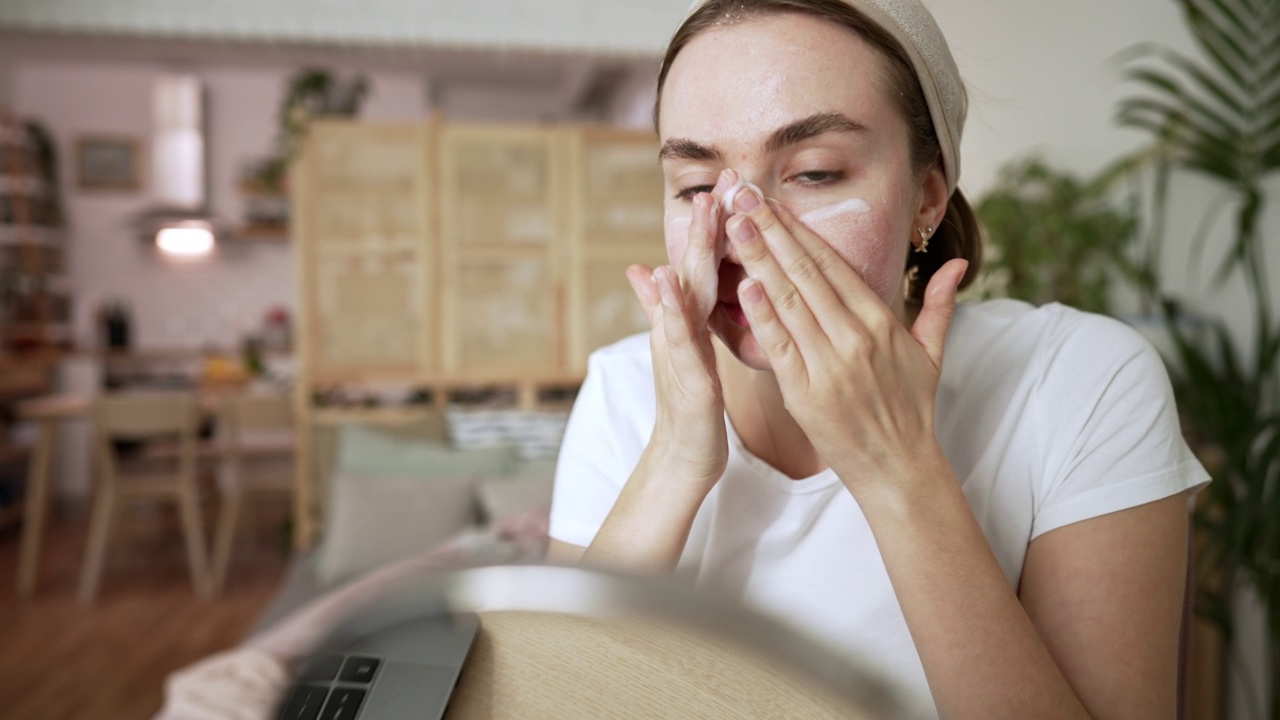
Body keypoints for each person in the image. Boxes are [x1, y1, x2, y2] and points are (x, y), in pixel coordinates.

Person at [547, 0, 1209, 716]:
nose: (739, 233)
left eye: (815, 173)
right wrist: (675, 459)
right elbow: (548, 701)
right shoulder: (623, 389)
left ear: (928, 197)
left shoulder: (1081, 381)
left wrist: (898, 468)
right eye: (697, 186)